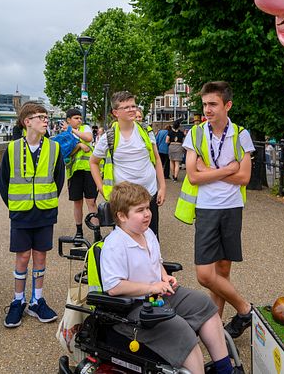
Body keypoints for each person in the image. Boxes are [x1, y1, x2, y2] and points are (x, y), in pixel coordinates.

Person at [101, 182, 234, 374]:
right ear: (122, 216)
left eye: (148, 207)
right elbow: (114, 287)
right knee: (180, 329)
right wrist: (152, 287)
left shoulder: (147, 233)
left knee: (204, 304)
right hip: (133, 308)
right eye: (140, 210)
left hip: (159, 294)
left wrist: (164, 276)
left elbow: (157, 262)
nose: (147, 213)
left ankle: (225, 370)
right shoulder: (114, 245)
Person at [175, 81, 254, 339]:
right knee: (204, 274)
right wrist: (227, 169)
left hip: (231, 208)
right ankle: (245, 309)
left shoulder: (241, 134)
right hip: (207, 208)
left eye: (213, 104)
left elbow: (244, 178)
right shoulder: (196, 134)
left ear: (227, 105)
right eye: (205, 104)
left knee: (222, 271)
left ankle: (215, 329)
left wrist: (209, 171)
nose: (207, 109)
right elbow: (194, 177)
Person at [0, 102, 64, 328]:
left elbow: (59, 178)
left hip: (45, 211)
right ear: (27, 122)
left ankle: (37, 300)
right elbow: (3, 182)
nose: (46, 120)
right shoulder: (12, 148)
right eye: (41, 117)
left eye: (46, 117)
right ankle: (18, 301)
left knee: (40, 257)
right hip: (21, 213)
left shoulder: (54, 148)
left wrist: (47, 200)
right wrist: (15, 205)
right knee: (22, 257)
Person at [90, 91, 166, 236]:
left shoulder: (146, 131)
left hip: (149, 193)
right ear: (115, 112)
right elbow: (93, 162)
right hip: (124, 199)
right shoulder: (108, 137)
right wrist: (102, 189)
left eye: (133, 106)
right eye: (126, 107)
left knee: (151, 235)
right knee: (125, 239)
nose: (132, 109)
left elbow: (156, 159)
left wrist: (162, 187)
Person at [64, 108, 98, 241]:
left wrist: (72, 131)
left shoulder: (85, 128)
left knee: (91, 202)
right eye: (76, 118)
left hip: (89, 171)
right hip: (74, 172)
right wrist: (78, 146)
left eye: (80, 118)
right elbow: (66, 152)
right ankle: (79, 232)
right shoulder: (64, 135)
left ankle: (96, 232)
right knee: (77, 203)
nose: (79, 120)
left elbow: (88, 138)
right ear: (68, 120)